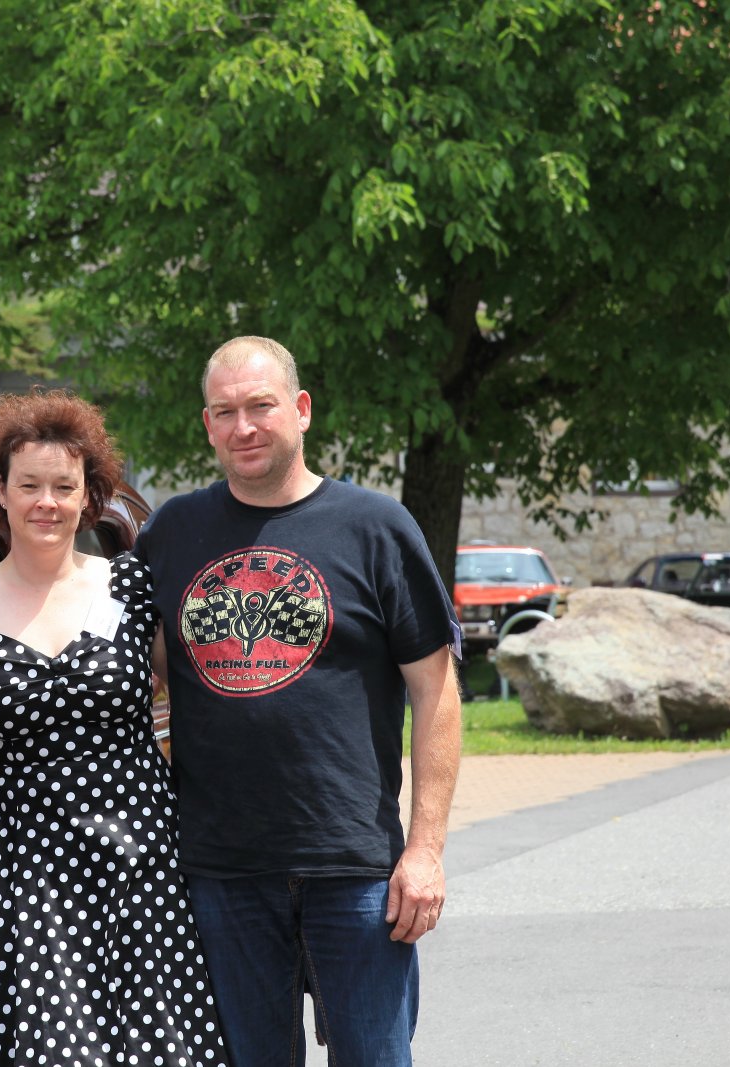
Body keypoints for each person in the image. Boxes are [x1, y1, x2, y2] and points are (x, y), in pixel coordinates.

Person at [0, 390, 226, 1067]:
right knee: (49, 1048)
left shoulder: (132, 588)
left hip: (142, 862)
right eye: (29, 485)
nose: (46, 502)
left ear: (90, 498)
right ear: (0, 491)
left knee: (162, 1048)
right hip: (33, 874)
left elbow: (203, 696)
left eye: (64, 486)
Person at [134, 336, 464, 1067]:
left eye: (261, 406)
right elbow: (130, 670)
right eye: (225, 412)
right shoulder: (173, 532)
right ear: (207, 424)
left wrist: (424, 851)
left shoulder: (376, 527)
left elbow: (437, 694)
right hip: (221, 870)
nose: (244, 427)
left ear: (302, 409)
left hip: (355, 866)